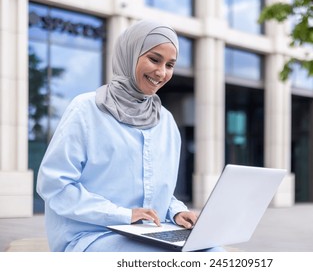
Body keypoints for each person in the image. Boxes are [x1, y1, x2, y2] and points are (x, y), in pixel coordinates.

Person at [36, 19, 222, 252]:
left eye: (170, 65)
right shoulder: (85, 110)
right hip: (89, 236)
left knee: (214, 254)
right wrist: (124, 215)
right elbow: (55, 186)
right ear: (130, 54)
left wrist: (176, 211)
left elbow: (156, 190)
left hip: (151, 232)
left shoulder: (165, 121)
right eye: (154, 59)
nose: (161, 72)